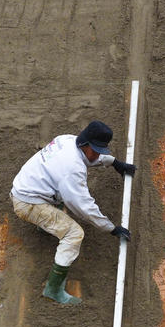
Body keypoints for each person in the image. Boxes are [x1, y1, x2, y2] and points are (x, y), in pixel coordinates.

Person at [11, 120, 135, 304]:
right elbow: (83, 207)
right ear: (85, 145)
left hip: (28, 185)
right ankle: (53, 289)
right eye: (96, 150)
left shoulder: (68, 140)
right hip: (28, 203)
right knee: (74, 233)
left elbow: (88, 158)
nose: (98, 154)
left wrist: (115, 163)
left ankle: (45, 224)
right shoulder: (72, 170)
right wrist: (111, 228)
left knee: (61, 200)